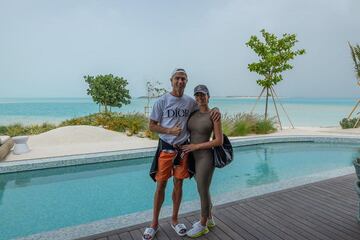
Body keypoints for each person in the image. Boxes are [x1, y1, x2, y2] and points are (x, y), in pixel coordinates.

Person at [142, 69, 219, 240]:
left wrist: (217, 109)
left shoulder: (190, 102)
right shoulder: (162, 101)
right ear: (171, 80)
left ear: (186, 81)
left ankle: (175, 220)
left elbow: (205, 108)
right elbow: (152, 126)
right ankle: (154, 224)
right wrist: (169, 130)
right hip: (166, 149)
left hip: (183, 151)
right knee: (161, 185)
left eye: (183, 78)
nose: (180, 81)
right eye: (177, 78)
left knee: (178, 185)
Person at [181, 84, 223, 238]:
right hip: (193, 157)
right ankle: (210, 219)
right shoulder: (193, 113)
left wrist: (196, 146)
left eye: (203, 95)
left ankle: (203, 225)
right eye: (197, 95)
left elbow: (219, 140)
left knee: (202, 190)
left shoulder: (214, 114)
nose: (200, 98)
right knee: (203, 189)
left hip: (206, 157)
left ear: (208, 96)